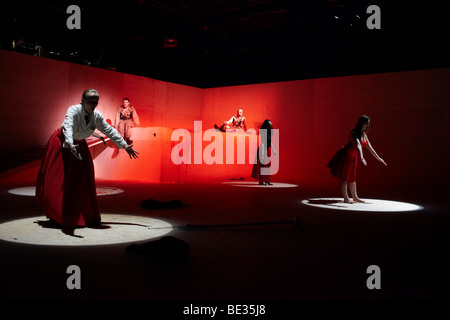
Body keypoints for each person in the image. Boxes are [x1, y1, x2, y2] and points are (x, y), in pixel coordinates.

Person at [36, 89, 139, 232]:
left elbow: (110, 131)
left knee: (81, 180)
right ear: (83, 100)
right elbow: (67, 127)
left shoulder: (96, 116)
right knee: (57, 180)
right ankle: (57, 216)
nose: (94, 103)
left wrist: (125, 145)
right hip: (62, 144)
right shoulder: (73, 110)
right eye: (91, 100)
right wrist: (71, 144)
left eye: (96, 101)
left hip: (78, 144)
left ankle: (80, 215)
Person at [327, 115, 387, 203]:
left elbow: (370, 148)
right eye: (366, 123)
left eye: (368, 124)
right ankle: (346, 198)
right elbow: (358, 145)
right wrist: (362, 157)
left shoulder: (364, 134)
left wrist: (379, 158)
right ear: (361, 123)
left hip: (353, 157)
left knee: (352, 177)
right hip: (346, 155)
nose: (367, 126)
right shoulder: (354, 132)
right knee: (344, 177)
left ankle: (355, 197)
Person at [252, 119, 277, 185]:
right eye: (270, 123)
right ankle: (261, 181)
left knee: (267, 166)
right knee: (263, 165)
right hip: (263, 149)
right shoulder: (263, 132)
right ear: (267, 124)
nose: (271, 124)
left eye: (271, 123)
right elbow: (263, 141)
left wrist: (274, 151)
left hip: (267, 149)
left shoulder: (269, 132)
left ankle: (267, 181)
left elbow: (270, 142)